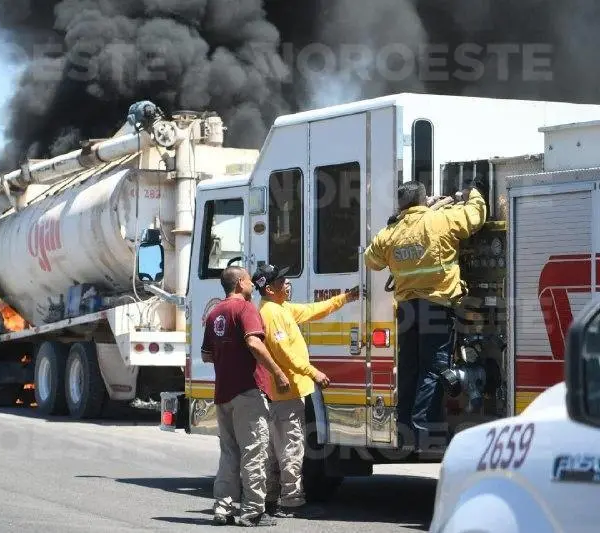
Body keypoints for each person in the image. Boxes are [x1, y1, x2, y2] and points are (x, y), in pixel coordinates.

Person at [364, 181, 486, 451]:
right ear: (423, 200)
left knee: (408, 369)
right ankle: (423, 431)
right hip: (436, 306)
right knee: (433, 368)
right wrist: (472, 192)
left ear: (401, 204)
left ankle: (405, 426)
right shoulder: (440, 220)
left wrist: (393, 223)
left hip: (407, 310)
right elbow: (475, 216)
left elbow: (371, 260)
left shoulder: (391, 232)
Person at [251, 264, 359, 517]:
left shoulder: (281, 308)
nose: (287, 284)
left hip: (286, 393)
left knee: (279, 449)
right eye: (282, 282)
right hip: (285, 394)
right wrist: (314, 372)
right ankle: (291, 502)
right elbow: (284, 355)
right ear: (269, 288)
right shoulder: (271, 314)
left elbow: (312, 310)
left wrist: (345, 298)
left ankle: (273, 499)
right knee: (290, 449)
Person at [201, 266, 290, 527]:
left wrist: (227, 355)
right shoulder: (246, 308)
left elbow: (207, 354)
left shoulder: (214, 312)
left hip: (223, 394)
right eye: (250, 281)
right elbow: (253, 343)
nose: (253, 285)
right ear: (240, 283)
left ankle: (222, 509)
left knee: (229, 452)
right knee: (254, 450)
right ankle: (252, 511)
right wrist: (277, 372)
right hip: (248, 392)